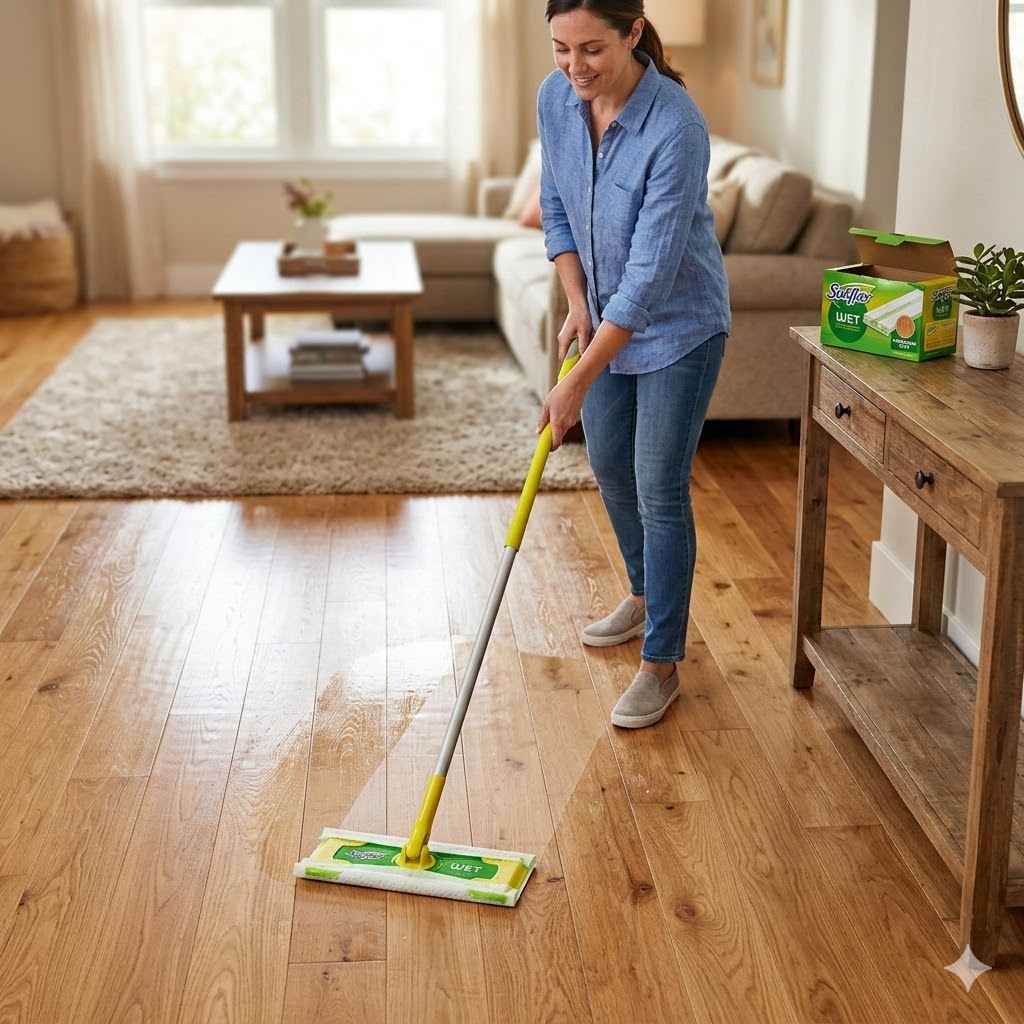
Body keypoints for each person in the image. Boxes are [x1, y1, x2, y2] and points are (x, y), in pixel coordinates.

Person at [535, 0, 731, 729]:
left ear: (634, 33)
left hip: (678, 326)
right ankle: (646, 593)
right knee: (611, 465)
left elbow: (650, 278)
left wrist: (575, 382)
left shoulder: (675, 126)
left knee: (658, 485)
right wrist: (576, 298)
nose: (574, 68)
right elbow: (557, 203)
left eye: (591, 50)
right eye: (560, 49)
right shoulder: (555, 98)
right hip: (607, 317)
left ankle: (661, 662)